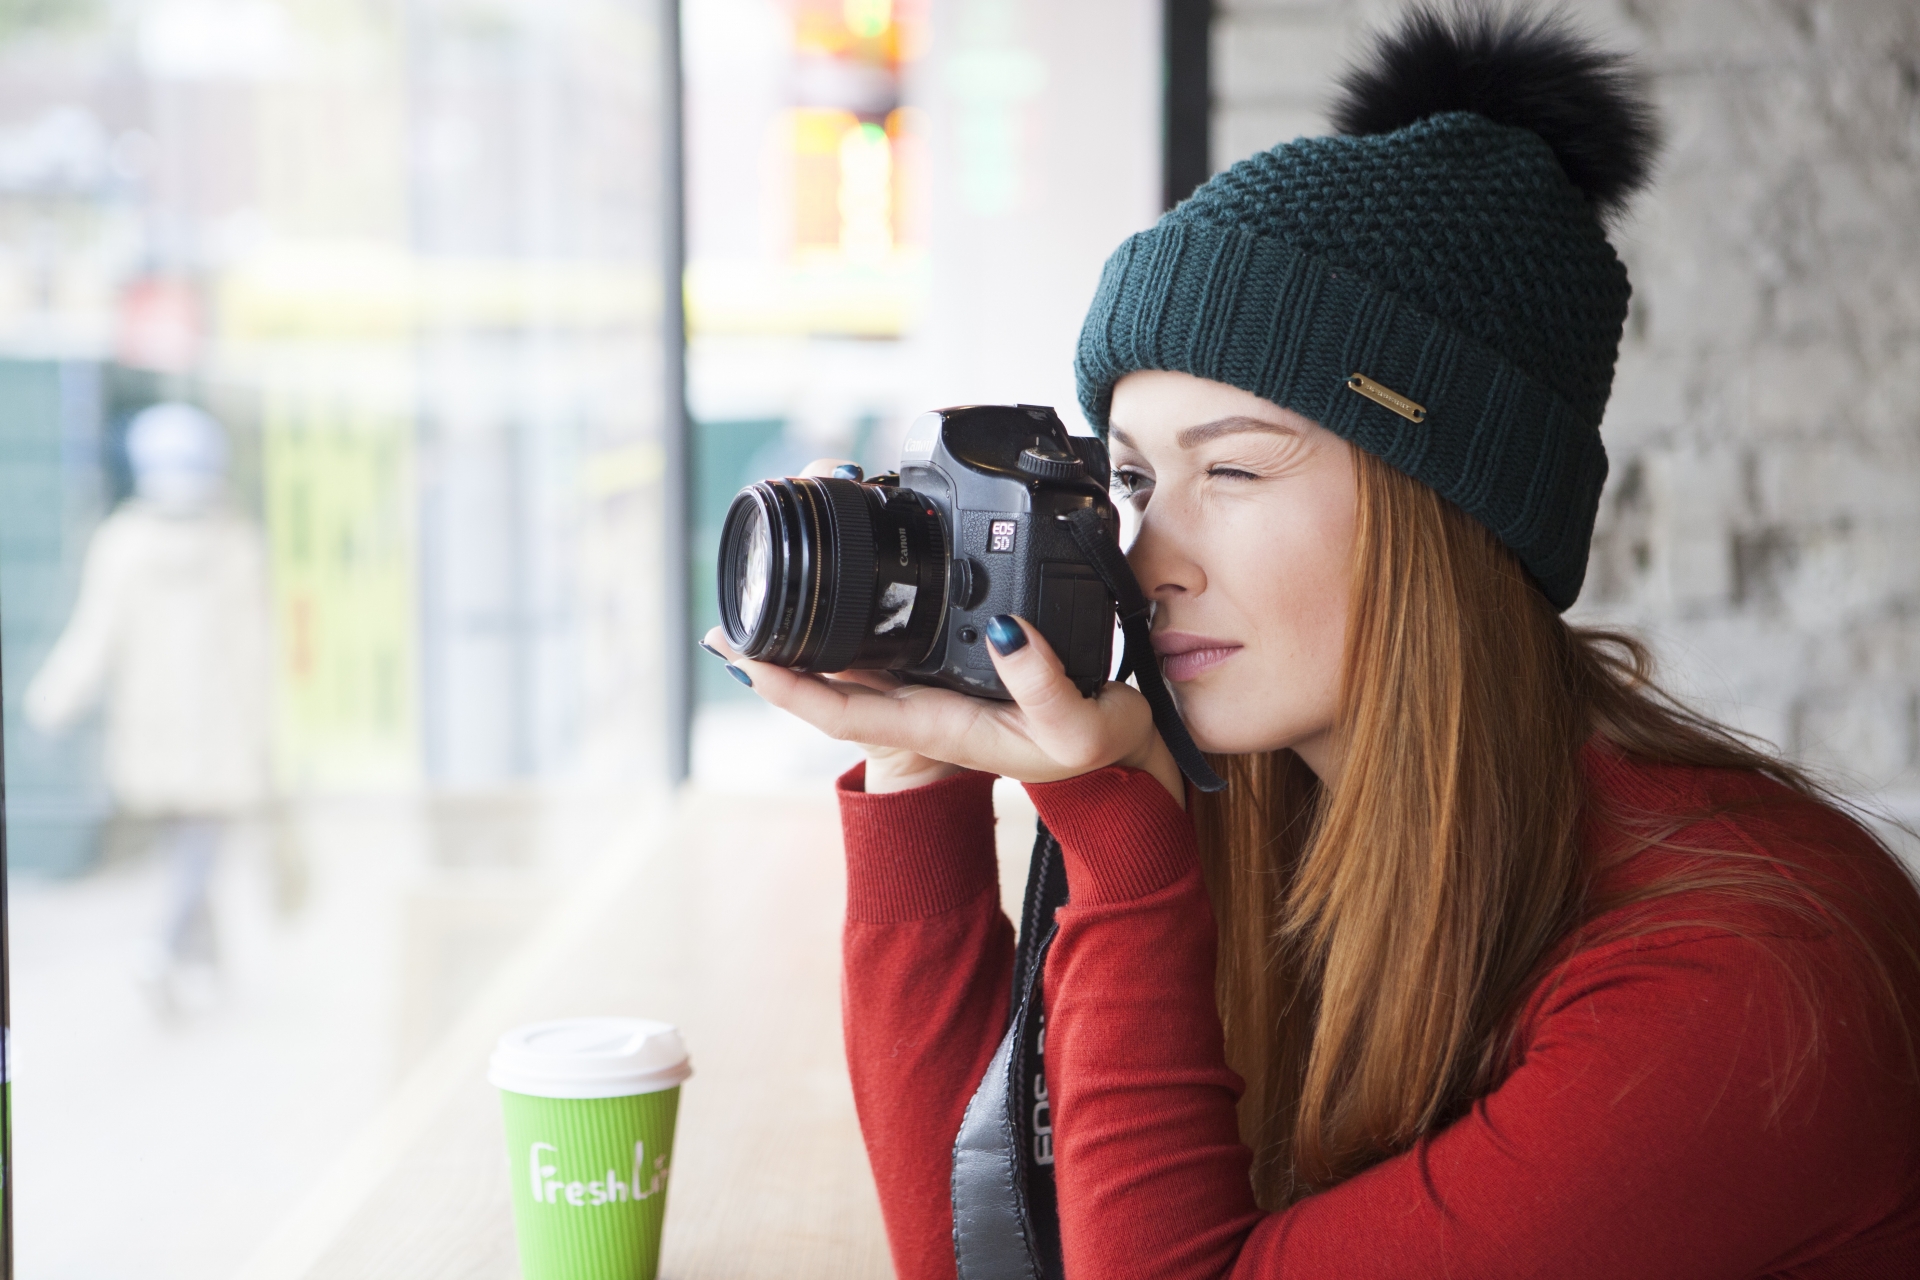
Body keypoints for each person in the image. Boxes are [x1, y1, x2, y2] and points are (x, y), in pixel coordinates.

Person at [707, 6, 1920, 1276]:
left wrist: (1119, 831)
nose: (1147, 556)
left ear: (1441, 510)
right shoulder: (1270, 805)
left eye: (1231, 468)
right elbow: (983, 1254)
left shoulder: (1747, 981)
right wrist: (919, 771)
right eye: (1129, 482)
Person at [26, 401, 273, 1012]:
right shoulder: (234, 544)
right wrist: (267, 737)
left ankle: (203, 964)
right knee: (200, 851)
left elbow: (93, 638)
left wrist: (51, 704)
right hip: (221, 732)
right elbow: (256, 654)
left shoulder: (122, 544)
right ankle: (165, 952)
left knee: (189, 852)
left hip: (153, 732)